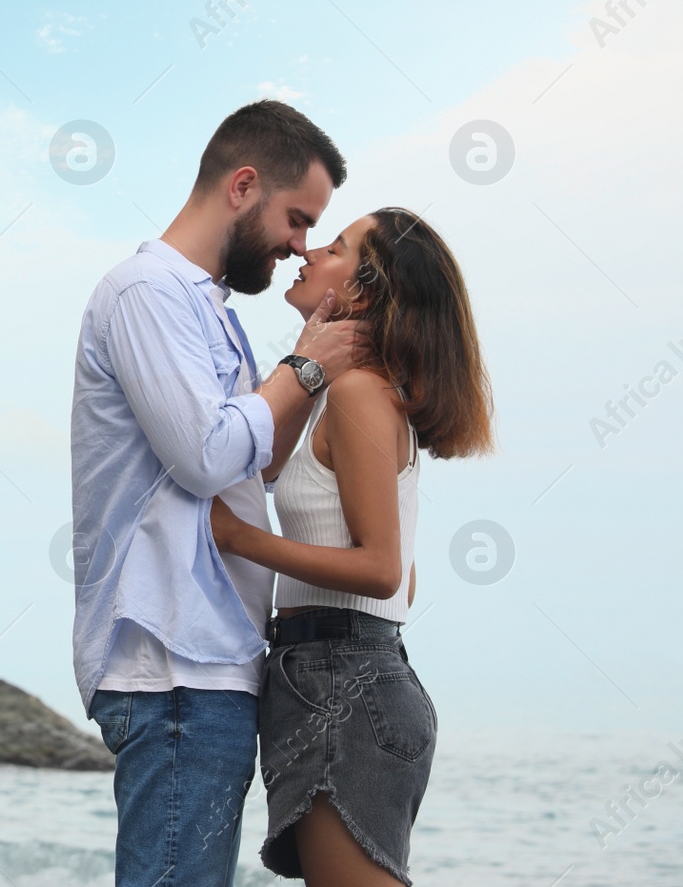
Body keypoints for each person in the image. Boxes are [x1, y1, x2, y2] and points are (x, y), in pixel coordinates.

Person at [70, 99, 367, 887]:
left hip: (209, 664)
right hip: (171, 664)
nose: (299, 246)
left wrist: (311, 374)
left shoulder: (212, 314)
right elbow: (206, 457)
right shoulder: (147, 292)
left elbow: (250, 470)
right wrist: (302, 367)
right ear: (243, 185)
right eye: (297, 218)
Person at [209, 208, 495, 886]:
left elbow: (380, 568)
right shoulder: (345, 390)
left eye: (334, 247)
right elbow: (404, 580)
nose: (307, 252)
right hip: (338, 672)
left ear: (363, 290)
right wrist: (304, 364)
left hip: (342, 679)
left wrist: (241, 537)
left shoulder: (361, 394)